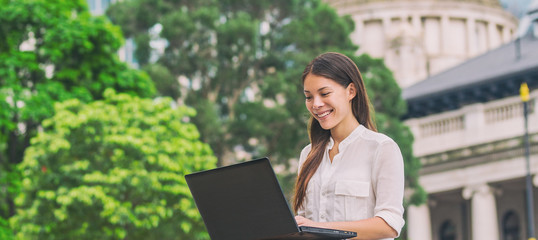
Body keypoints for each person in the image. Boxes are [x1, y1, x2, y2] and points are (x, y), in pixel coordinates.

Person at [293, 52, 405, 240]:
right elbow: (304, 223)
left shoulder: (382, 148)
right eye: (309, 97)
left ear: (351, 91)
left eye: (325, 93)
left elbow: (389, 224)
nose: (316, 104)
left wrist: (321, 228)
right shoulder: (308, 155)